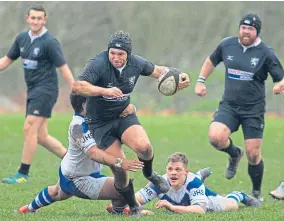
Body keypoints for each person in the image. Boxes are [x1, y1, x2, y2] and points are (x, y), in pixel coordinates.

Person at [72, 30, 190, 215]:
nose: (116, 57)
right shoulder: (99, 64)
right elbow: (78, 86)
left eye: (121, 54)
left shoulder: (137, 63)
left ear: (128, 54)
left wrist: (180, 75)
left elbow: (159, 71)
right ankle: (133, 207)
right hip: (100, 124)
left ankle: (150, 174)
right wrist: (103, 91)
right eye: (112, 53)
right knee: (120, 169)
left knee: (145, 148)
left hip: (123, 115)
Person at [194, 12, 284, 201]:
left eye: (250, 29)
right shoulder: (227, 44)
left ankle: (256, 193)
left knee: (253, 154)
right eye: (243, 27)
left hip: (254, 110)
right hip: (230, 106)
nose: (245, 32)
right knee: (215, 137)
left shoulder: (266, 53)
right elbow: (212, 60)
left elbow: (280, 78)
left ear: (256, 32)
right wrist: (201, 81)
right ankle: (234, 154)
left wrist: (279, 85)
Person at [17, 93, 144, 215]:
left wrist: (130, 108)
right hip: (77, 179)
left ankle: (28, 209)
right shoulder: (77, 127)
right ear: (85, 105)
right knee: (123, 189)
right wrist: (120, 162)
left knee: (57, 193)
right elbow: (93, 153)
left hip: (70, 170)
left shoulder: (92, 115)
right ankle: (120, 210)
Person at [1, 5, 75, 184]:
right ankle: (73, 163)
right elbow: (6, 61)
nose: (35, 21)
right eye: (33, 18)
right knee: (41, 136)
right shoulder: (22, 39)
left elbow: (63, 68)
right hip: (33, 90)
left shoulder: (50, 42)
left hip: (46, 89)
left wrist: (75, 91)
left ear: (45, 20)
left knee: (29, 127)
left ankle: (22, 174)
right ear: (27, 19)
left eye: (39, 18)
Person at [107, 152, 260, 215]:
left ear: (186, 172)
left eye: (178, 170)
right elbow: (136, 199)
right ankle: (201, 175)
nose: (173, 173)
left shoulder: (193, 183)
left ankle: (240, 194)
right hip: (187, 196)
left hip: (205, 199)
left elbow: (200, 210)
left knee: (232, 205)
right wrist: (134, 209)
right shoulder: (159, 182)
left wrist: (172, 207)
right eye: (170, 169)